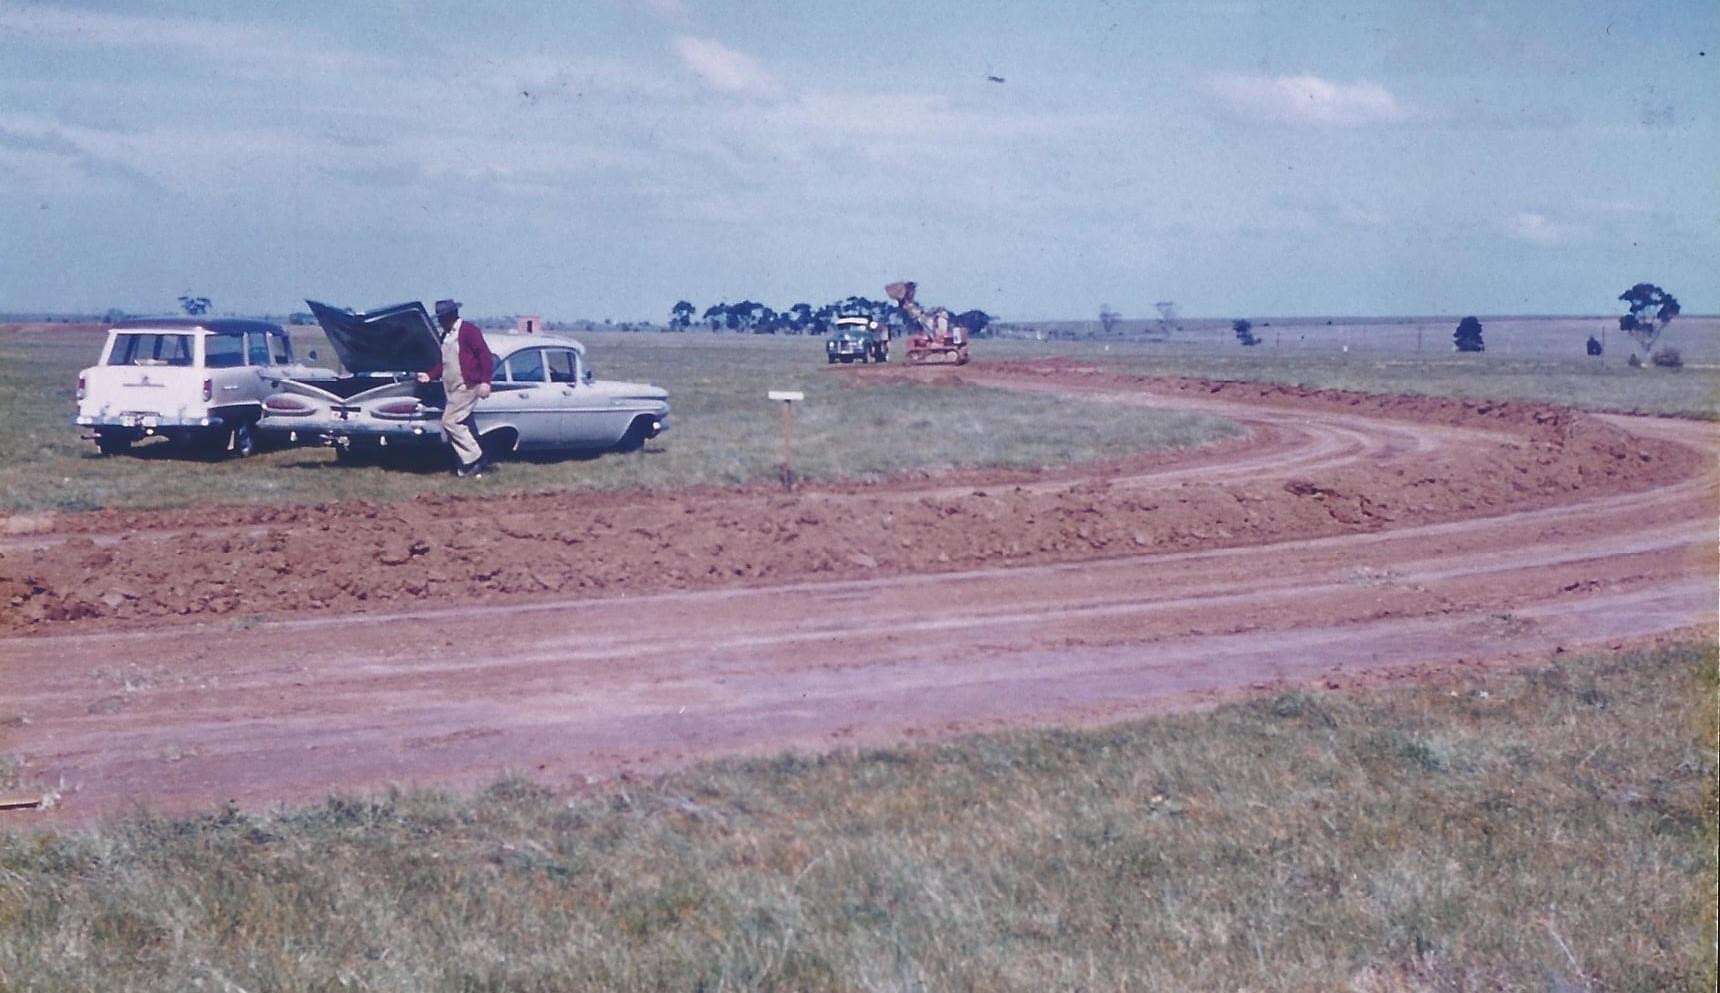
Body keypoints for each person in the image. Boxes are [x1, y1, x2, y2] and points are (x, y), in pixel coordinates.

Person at [416, 299, 495, 477]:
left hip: (467, 385)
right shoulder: (446, 335)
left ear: (450, 316)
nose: (440, 321)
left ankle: (476, 458)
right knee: (463, 425)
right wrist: (430, 375)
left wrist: (485, 382)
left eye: (441, 317)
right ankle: (466, 467)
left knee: (449, 421)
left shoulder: (469, 331)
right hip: (451, 388)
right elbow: (444, 363)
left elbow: (485, 356)